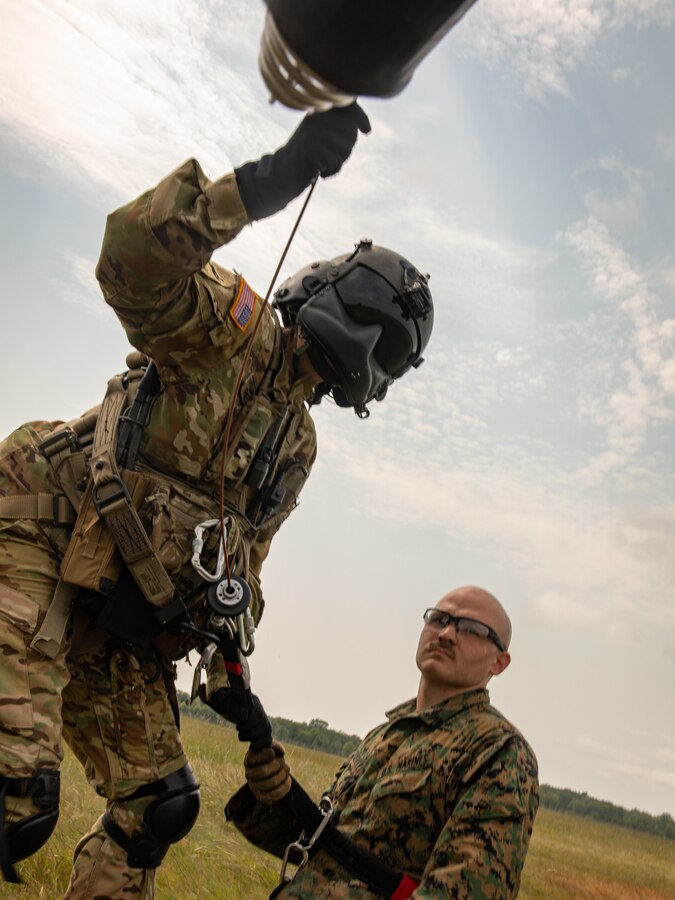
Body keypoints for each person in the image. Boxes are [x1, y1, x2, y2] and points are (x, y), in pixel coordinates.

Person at [0, 102, 435, 895]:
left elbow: (242, 567)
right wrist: (269, 179)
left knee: (159, 806)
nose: (370, 352)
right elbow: (130, 259)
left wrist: (233, 666)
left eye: (388, 352)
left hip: (120, 609)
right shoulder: (235, 331)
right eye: (374, 325)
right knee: (14, 793)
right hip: (39, 531)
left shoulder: (297, 447)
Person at [226, 585, 539, 898]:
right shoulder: (385, 734)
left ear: (499, 662)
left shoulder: (497, 749)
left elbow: (467, 890)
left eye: (471, 629)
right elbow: (324, 849)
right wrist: (274, 796)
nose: (446, 634)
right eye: (439, 618)